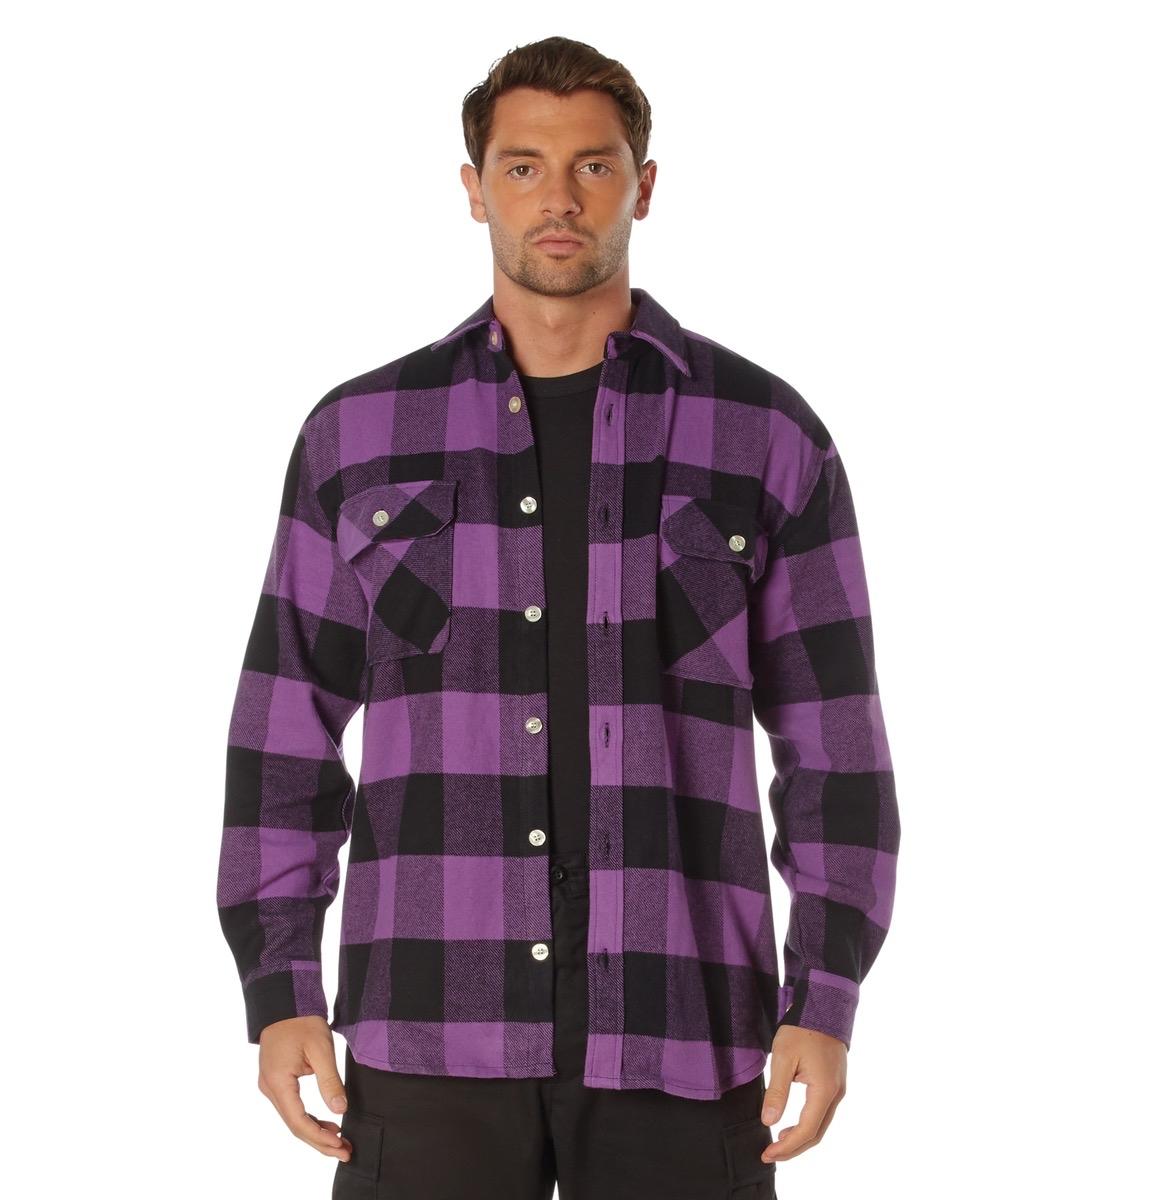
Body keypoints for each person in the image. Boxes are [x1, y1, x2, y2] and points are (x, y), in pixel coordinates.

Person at [217, 34, 899, 1200]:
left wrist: (824, 997)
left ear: (644, 185)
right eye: (524, 167)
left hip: (681, 1022)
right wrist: (280, 990)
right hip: (431, 1022)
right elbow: (284, 734)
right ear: (475, 189)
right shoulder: (360, 435)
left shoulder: (766, 435)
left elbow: (836, 749)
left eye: (594, 165)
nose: (561, 199)